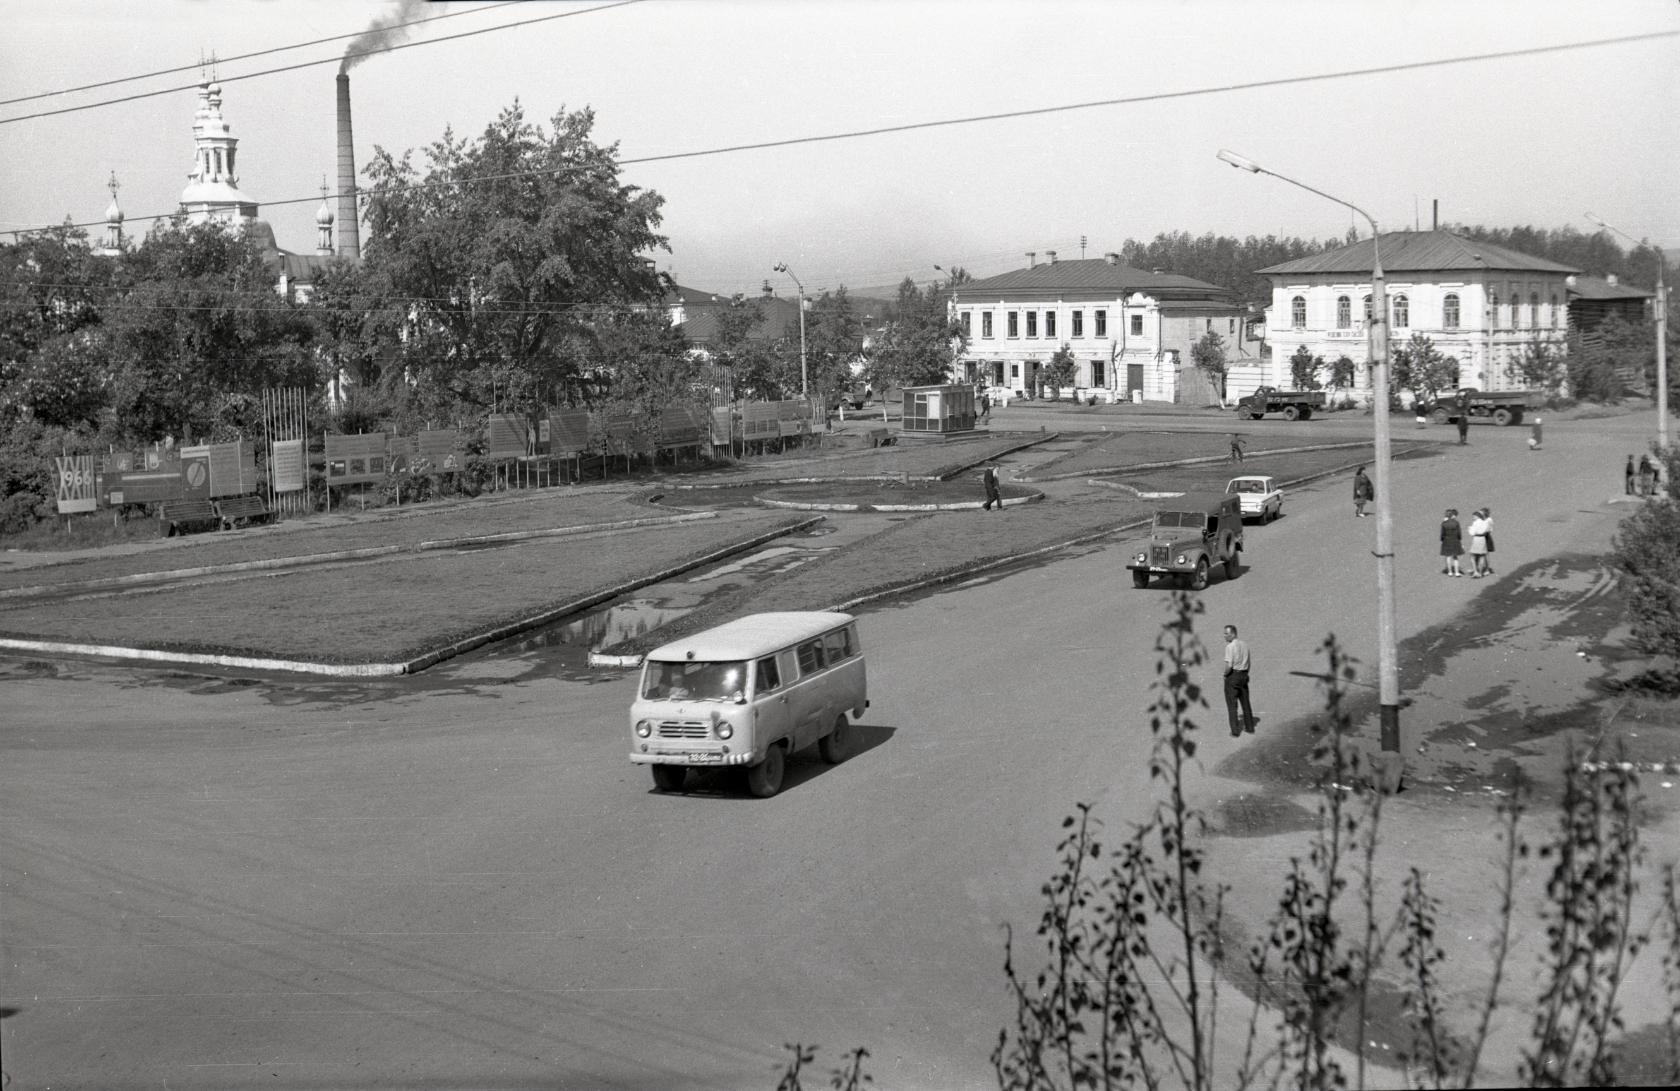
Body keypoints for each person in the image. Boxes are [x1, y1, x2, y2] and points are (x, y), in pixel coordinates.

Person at [1222, 625, 1256, 737]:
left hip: (1233, 676)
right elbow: (1249, 662)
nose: (1224, 636)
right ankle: (1250, 727)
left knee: (1232, 705)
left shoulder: (1230, 647)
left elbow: (1229, 665)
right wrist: (1245, 674)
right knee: (1245, 702)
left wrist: (1225, 674)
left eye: (1226, 634)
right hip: (1244, 675)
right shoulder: (1245, 645)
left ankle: (1235, 731)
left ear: (1233, 634)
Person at [1467, 508, 1491, 577]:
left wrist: (1469, 529)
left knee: (1472, 556)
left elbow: (1472, 533)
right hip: (1482, 539)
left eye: (1474, 516)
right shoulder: (1484, 522)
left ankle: (1475, 571)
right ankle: (1480, 573)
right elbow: (1487, 530)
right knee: (1482, 556)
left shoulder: (1475, 523)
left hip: (1476, 539)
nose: (1473, 518)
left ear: (1477, 516)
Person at [1440, 508, 1464, 577]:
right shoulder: (1456, 523)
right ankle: (1457, 572)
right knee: (1455, 557)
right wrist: (1459, 539)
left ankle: (1450, 572)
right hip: (1455, 540)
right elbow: (1459, 533)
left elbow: (1442, 534)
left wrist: (1443, 540)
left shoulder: (1444, 524)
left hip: (1447, 541)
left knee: (1448, 556)